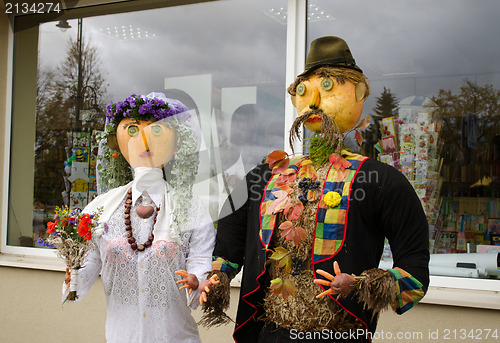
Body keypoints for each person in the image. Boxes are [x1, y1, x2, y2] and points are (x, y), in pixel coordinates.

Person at [200, 37, 430, 342]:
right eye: (305, 91)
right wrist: (215, 279)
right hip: (270, 334)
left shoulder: (381, 181)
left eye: (328, 87)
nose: (315, 102)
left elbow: (414, 276)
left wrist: (361, 286)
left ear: (359, 93)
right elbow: (228, 243)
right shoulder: (263, 176)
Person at [64, 93, 215, 343]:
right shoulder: (101, 209)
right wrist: (75, 277)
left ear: (177, 145)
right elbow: (90, 260)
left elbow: (199, 259)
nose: (143, 140)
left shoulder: (191, 209)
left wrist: (197, 280)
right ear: (117, 144)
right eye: (133, 130)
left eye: (156, 131)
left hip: (175, 337)